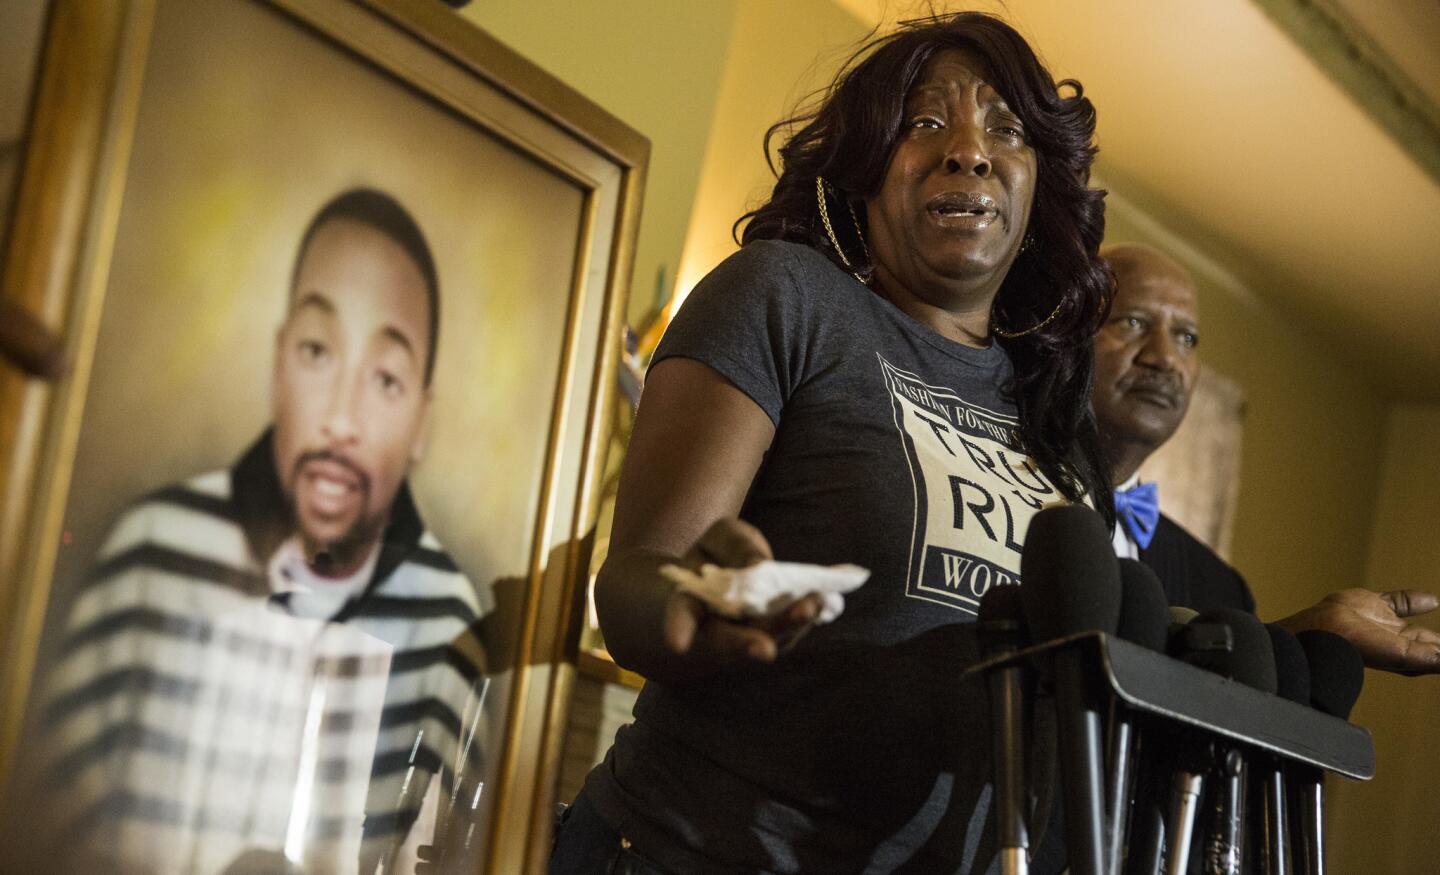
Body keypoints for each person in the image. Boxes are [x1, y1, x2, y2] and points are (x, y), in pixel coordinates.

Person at [553, 13, 1113, 874]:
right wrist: (694, 597)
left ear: (1039, 186)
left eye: (1007, 129)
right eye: (926, 123)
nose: (970, 150)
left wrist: (1295, 643)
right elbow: (635, 574)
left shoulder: (1058, 424)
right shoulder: (787, 299)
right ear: (864, 170)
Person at [29, 189, 491, 874]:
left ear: (423, 420)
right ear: (278, 364)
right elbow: (44, 818)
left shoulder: (450, 624)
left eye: (386, 378)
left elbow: (443, 850)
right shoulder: (155, 549)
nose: (341, 417)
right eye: (315, 350)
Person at [1096, 242, 1440, 673]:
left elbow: (1207, 706)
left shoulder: (1219, 586)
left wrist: (1310, 632)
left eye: (1187, 337)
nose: (1165, 358)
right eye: (1132, 321)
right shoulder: (995, 497)